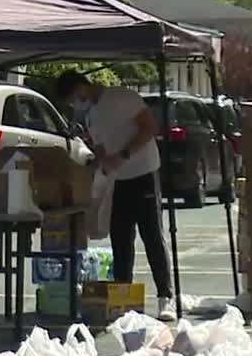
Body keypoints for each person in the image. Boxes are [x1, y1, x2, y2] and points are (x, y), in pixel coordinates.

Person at [57, 70, 175, 321]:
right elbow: (101, 149)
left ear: (82, 86)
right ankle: (124, 297)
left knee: (151, 234)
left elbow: (149, 127)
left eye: (75, 98)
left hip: (143, 172)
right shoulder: (91, 116)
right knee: (121, 238)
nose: (76, 104)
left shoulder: (122, 97)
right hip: (116, 180)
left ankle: (166, 298)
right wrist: (91, 165)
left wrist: (123, 154)